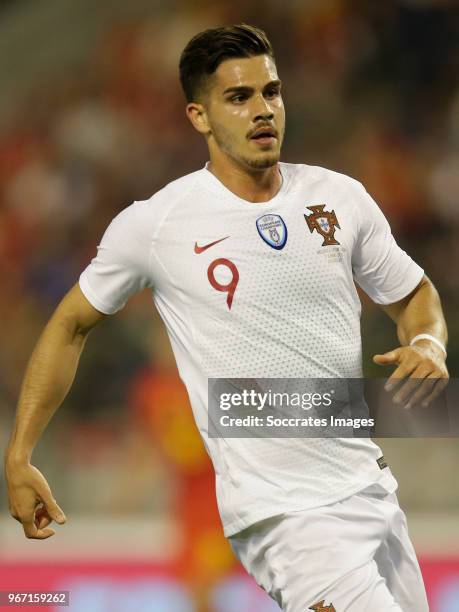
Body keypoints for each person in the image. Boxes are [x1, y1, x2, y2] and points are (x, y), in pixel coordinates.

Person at [5, 24, 448, 612]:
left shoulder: (339, 198)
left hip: (370, 487)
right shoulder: (157, 224)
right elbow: (69, 324)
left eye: (272, 91)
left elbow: (412, 292)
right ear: (199, 116)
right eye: (239, 98)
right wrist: (21, 453)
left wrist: (428, 341)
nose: (262, 110)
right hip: (284, 516)